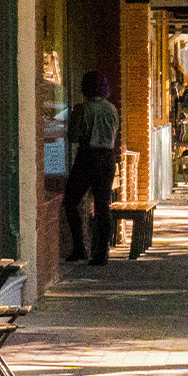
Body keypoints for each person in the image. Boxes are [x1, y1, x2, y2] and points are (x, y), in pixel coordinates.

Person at [65, 71, 120, 264]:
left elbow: (72, 136)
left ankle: (80, 247)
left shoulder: (82, 108)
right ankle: (102, 252)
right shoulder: (112, 109)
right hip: (107, 158)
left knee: (71, 202)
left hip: (87, 157)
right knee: (102, 206)